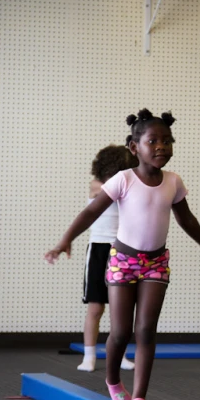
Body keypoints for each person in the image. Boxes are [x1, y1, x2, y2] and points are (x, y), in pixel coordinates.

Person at [45, 109, 200, 400]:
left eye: (167, 141)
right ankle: (114, 381)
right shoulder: (123, 180)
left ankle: (140, 397)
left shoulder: (173, 182)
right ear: (135, 147)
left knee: (146, 330)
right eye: (153, 141)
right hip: (122, 261)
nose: (161, 147)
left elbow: (186, 218)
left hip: (156, 263)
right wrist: (66, 240)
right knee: (120, 331)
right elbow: (91, 212)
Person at [78, 145, 138, 373]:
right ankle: (89, 355)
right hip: (98, 249)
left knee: (119, 309)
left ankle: (119, 354)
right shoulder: (97, 185)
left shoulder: (128, 187)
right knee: (95, 308)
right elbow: (105, 191)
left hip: (121, 249)